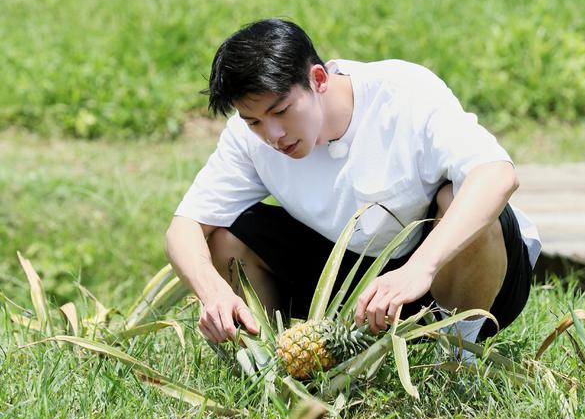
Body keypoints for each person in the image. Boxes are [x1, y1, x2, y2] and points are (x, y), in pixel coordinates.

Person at [166, 18, 541, 353]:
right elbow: (184, 227)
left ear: (318, 79)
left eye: (281, 111)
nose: (273, 135)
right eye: (254, 122)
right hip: (355, 287)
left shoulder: (404, 92)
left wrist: (419, 269)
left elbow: (497, 174)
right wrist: (211, 290)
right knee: (226, 236)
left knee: (459, 196)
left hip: (467, 281)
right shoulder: (249, 138)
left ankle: (459, 355)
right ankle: (271, 359)